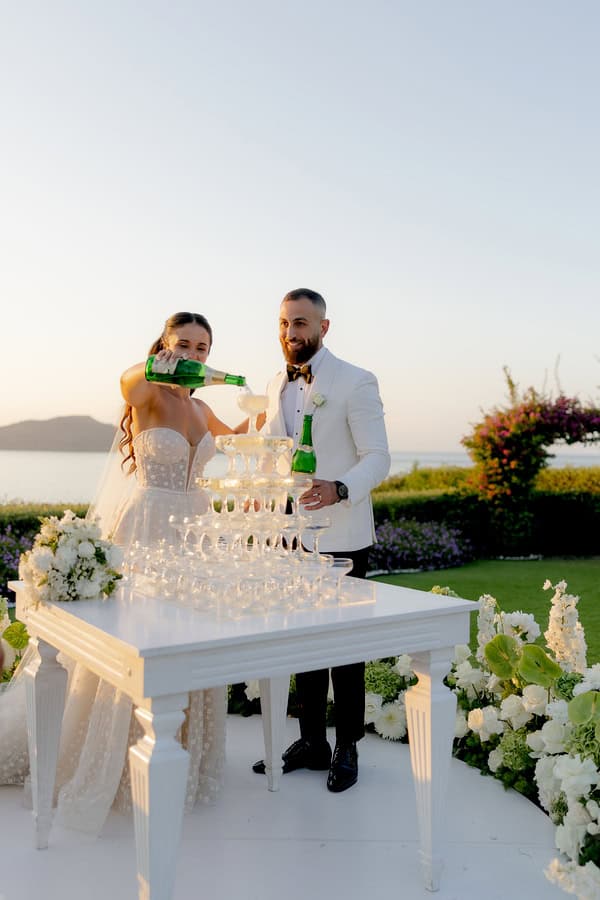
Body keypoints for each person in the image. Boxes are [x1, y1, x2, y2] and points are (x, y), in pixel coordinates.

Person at [0, 312, 243, 831]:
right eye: (184, 344)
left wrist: (272, 410)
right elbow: (128, 381)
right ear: (164, 346)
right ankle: (111, 762)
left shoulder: (201, 407)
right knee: (136, 638)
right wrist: (159, 366)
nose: (194, 356)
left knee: (189, 635)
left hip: (196, 533)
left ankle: (184, 756)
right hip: (147, 527)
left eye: (203, 348)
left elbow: (245, 438)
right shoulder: (148, 391)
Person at [252, 288, 390, 792]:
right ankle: (311, 741)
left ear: (324, 328)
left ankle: (347, 746)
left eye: (302, 323)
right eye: (285, 324)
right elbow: (275, 451)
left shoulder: (356, 381)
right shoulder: (274, 384)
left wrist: (340, 488)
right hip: (292, 536)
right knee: (302, 641)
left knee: (345, 646)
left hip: (343, 533)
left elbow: (378, 456)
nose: (292, 333)